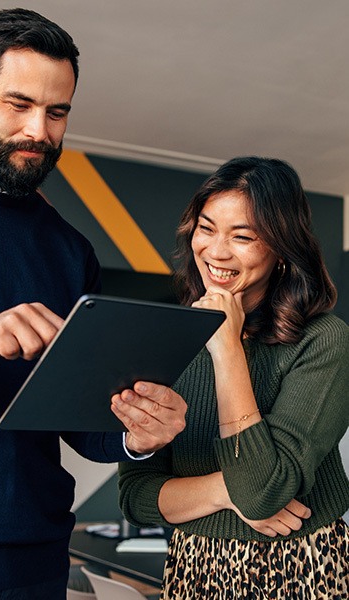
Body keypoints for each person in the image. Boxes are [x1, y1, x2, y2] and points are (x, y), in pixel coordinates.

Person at [0, 8, 187, 600]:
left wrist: (137, 432)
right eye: (18, 105)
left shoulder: (70, 249)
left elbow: (78, 415)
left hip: (35, 561)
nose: (39, 132)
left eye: (57, 112)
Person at [119, 156, 349, 599]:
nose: (217, 252)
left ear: (282, 247)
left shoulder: (324, 341)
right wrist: (225, 492)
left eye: (242, 237)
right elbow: (136, 496)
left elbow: (262, 493)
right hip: (193, 570)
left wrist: (226, 349)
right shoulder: (161, 339)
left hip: (301, 570)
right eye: (206, 229)